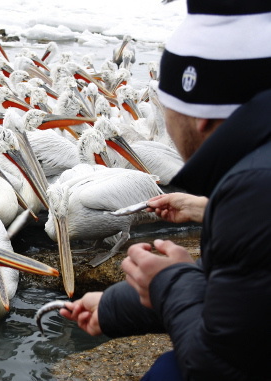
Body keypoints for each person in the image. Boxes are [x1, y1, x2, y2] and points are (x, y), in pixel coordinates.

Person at [60, 1, 271, 380]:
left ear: (200, 111)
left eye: (167, 105)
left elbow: (218, 365)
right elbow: (245, 291)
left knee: (169, 373)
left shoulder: (254, 189)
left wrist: (169, 280)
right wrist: (111, 305)